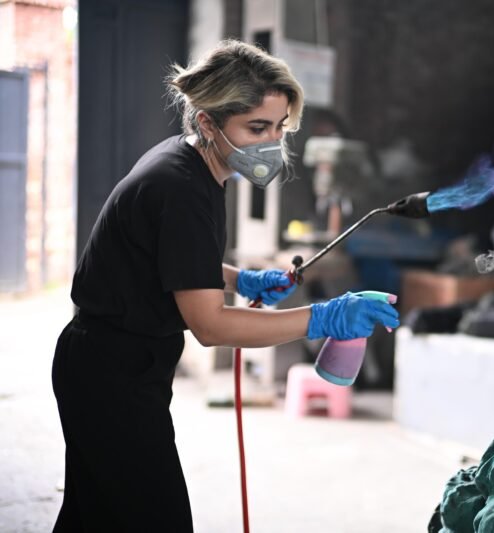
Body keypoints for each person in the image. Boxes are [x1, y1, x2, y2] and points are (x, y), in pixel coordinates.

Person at [51, 40, 399, 533]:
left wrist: (240, 279)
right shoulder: (180, 187)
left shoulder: (195, 165)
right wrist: (324, 317)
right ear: (209, 122)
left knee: (96, 516)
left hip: (115, 362)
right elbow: (209, 326)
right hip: (110, 372)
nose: (271, 141)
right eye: (256, 128)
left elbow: (175, 261)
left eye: (279, 127)